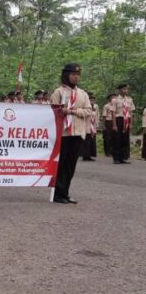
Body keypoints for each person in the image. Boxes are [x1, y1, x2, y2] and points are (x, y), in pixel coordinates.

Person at [49, 63, 91, 204]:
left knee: (71, 166)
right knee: (61, 165)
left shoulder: (82, 94)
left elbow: (88, 111)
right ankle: (57, 194)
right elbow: (53, 112)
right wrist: (62, 112)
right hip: (63, 134)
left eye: (78, 75)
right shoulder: (58, 92)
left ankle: (65, 192)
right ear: (66, 75)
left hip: (77, 133)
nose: (76, 77)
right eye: (73, 74)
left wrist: (72, 111)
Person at [111, 83, 135, 164]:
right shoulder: (115, 100)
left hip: (126, 120)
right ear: (120, 90)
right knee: (117, 139)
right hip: (119, 119)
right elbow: (113, 113)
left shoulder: (130, 100)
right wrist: (114, 124)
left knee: (125, 139)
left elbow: (131, 112)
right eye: (124, 89)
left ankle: (123, 157)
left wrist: (131, 123)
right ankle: (116, 158)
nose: (125, 90)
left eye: (126, 89)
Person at [81, 94, 99, 161]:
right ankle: (85, 155)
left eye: (93, 100)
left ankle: (90, 155)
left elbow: (96, 116)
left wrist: (96, 125)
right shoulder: (85, 107)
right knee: (86, 142)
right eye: (91, 100)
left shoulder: (96, 106)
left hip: (93, 126)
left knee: (92, 141)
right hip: (86, 126)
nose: (92, 101)